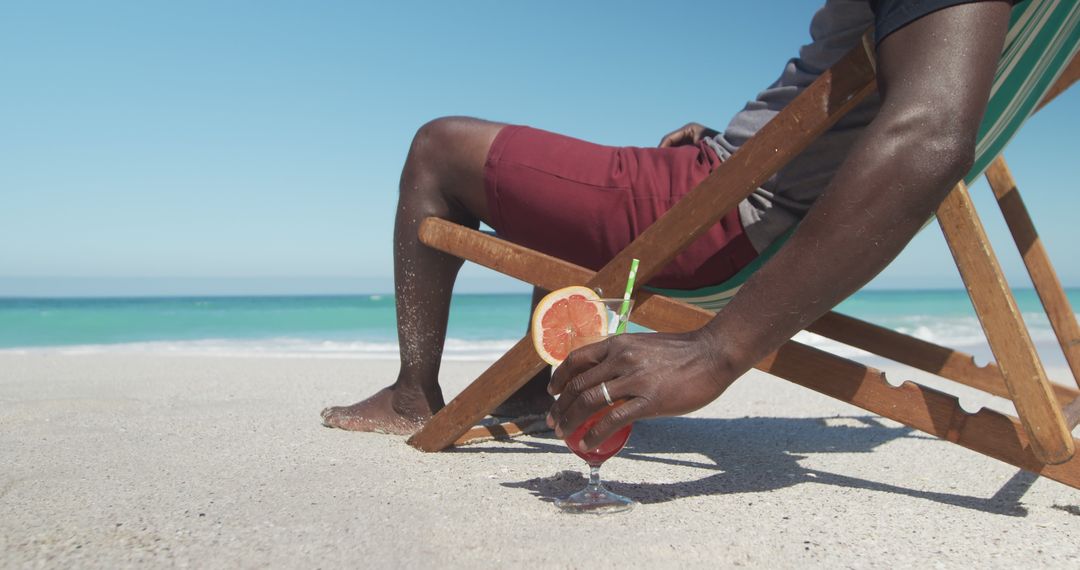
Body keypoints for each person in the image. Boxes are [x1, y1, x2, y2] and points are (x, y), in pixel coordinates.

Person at [320, 0, 1015, 447]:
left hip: (718, 214)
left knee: (438, 147)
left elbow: (927, 137)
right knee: (558, 183)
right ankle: (534, 385)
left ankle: (414, 392)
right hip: (741, 198)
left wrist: (719, 350)